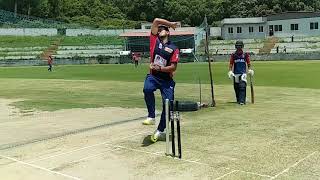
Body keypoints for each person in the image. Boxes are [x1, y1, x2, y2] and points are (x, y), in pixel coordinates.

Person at [142, 18, 179, 143]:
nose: (160, 31)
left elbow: (173, 67)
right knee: (147, 89)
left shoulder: (174, 48)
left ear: (168, 33)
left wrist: (161, 68)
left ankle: (160, 130)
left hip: (166, 80)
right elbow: (156, 21)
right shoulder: (154, 40)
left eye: (163, 30)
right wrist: (171, 24)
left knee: (168, 105)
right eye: (159, 30)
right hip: (153, 76)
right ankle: (151, 116)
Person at [228, 40, 254, 105]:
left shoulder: (245, 54)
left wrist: (250, 70)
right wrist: (230, 71)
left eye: (240, 46)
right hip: (235, 73)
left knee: (242, 87)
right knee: (236, 88)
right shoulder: (233, 55)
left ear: (242, 47)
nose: (239, 48)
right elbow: (231, 63)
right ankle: (239, 99)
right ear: (236, 47)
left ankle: (242, 101)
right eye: (237, 46)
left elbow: (248, 63)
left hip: (243, 73)